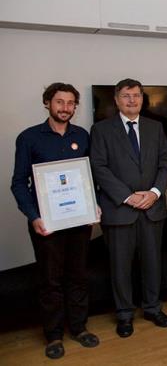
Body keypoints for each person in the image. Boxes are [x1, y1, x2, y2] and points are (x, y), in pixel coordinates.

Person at [11, 83, 99, 359]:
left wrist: (93, 205)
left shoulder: (82, 136)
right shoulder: (29, 138)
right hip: (46, 223)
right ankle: (53, 335)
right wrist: (34, 216)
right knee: (50, 279)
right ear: (47, 103)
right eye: (59, 102)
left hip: (78, 221)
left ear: (75, 106)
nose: (65, 108)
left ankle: (79, 328)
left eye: (71, 103)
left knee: (78, 276)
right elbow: (18, 183)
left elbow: (90, 177)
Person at [90, 78, 167, 338]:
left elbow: (165, 163)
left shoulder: (155, 127)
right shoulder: (101, 130)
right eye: (126, 96)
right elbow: (99, 167)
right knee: (120, 266)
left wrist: (155, 193)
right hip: (119, 211)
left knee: (152, 263)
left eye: (136, 95)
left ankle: (152, 307)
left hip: (151, 208)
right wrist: (127, 197)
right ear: (116, 100)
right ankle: (124, 315)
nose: (132, 100)